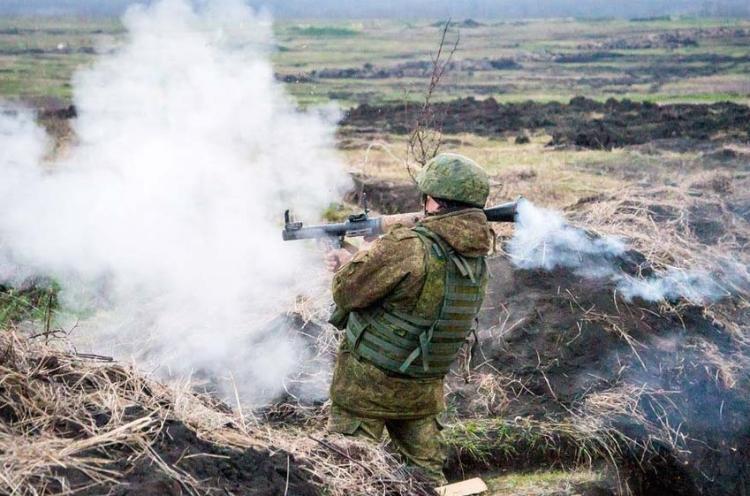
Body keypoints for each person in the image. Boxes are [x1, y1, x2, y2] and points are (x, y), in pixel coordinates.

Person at [324, 153, 493, 485]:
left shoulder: (408, 245)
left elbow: (347, 292)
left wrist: (349, 261)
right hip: (421, 389)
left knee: (347, 473)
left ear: (431, 200)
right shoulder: (475, 256)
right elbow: (416, 298)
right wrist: (367, 254)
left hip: (367, 387)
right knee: (428, 479)